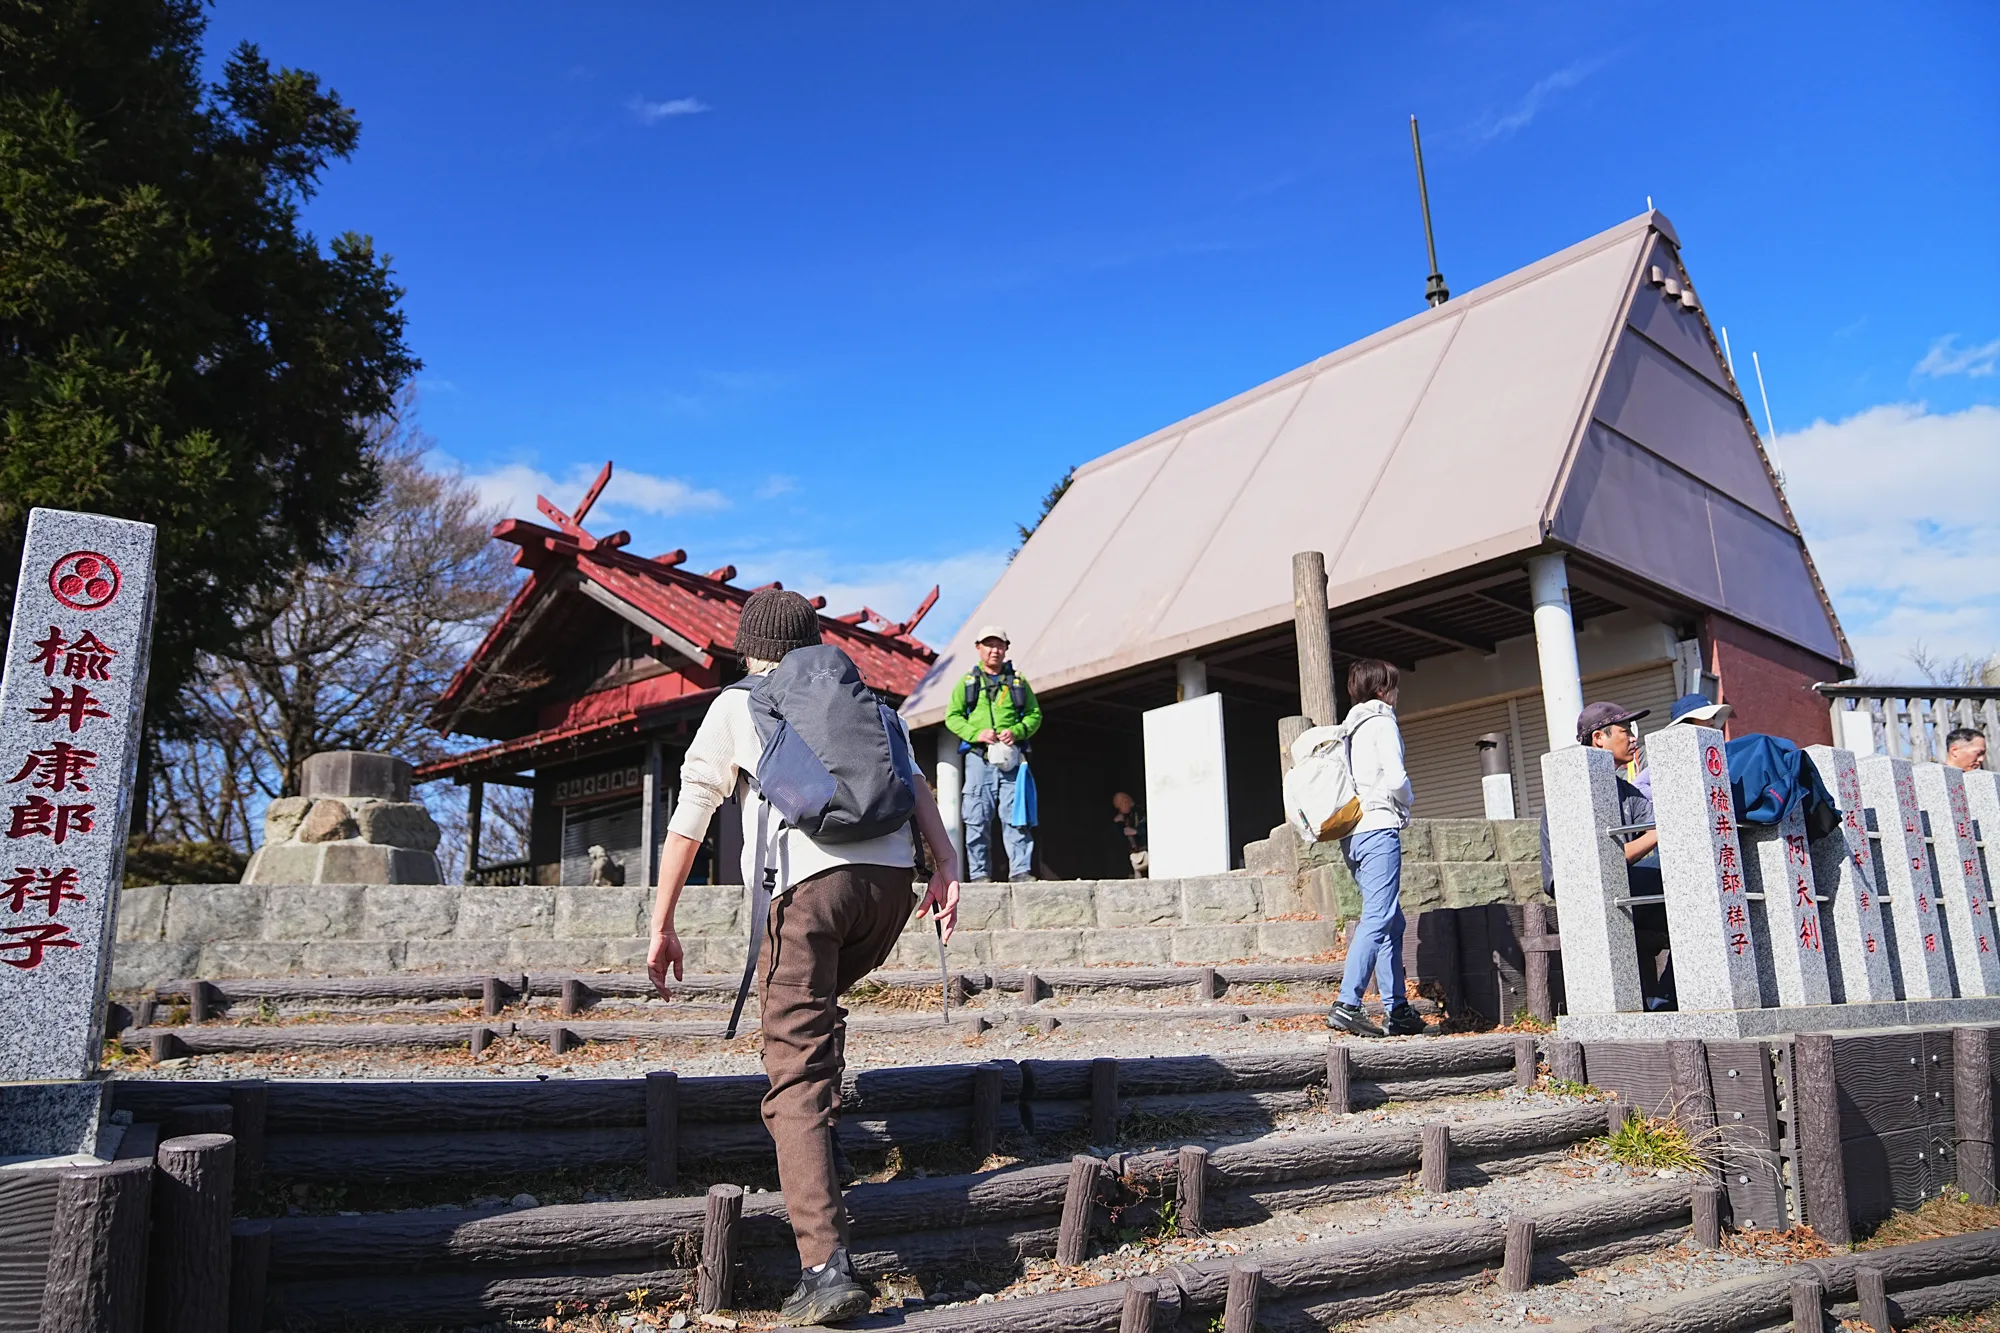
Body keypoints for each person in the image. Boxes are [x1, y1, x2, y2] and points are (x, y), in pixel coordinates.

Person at [646, 589, 961, 1326]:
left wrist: (661, 921)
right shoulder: (870, 702)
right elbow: (914, 784)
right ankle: (826, 1153)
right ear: (814, 641)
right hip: (886, 891)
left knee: (794, 1062)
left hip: (809, 893)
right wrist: (945, 866)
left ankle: (824, 1266)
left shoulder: (738, 703)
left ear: (747, 647)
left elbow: (691, 815)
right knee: (814, 1018)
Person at [1539, 701, 1675, 1009]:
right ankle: (1664, 1000)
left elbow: (1661, 820)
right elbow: (1598, 864)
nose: (1633, 738)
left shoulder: (1626, 791)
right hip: (1585, 897)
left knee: (1691, 887)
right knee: (1678, 886)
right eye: (1625, 731)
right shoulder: (1570, 789)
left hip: (1622, 887)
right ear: (1599, 738)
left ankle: (1667, 999)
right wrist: (1657, 834)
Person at [1325, 659, 1428, 1038]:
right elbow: (1397, 777)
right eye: (1395, 687)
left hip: (1352, 835)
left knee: (1391, 920)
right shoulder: (1382, 721)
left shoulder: (1349, 727)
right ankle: (1347, 1003)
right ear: (1383, 689)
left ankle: (1397, 1008)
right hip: (1378, 828)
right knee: (1377, 917)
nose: (1397, 694)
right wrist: (1409, 800)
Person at [943, 626, 1043, 881]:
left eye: (1000, 645)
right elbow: (952, 717)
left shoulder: (1019, 681)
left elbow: (1034, 715)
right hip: (978, 758)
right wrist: (976, 733)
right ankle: (979, 875)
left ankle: (1020, 871)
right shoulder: (968, 682)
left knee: (1016, 816)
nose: (994, 650)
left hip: (1011, 757)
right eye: (989, 644)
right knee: (976, 817)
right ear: (978, 648)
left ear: (1006, 649)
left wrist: (1018, 731)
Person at [1634, 694, 1733, 800]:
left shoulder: (1714, 752)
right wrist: (1673, 801)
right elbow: (1639, 785)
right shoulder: (1673, 755)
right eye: (1706, 717)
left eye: (1713, 717)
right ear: (1688, 721)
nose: (1712, 722)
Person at [1111, 790, 1147, 877]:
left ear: (1126, 801)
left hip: (1144, 850)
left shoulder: (1140, 811)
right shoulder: (1126, 815)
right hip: (1133, 854)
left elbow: (1150, 828)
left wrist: (1136, 831)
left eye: (1120, 807)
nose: (1120, 810)